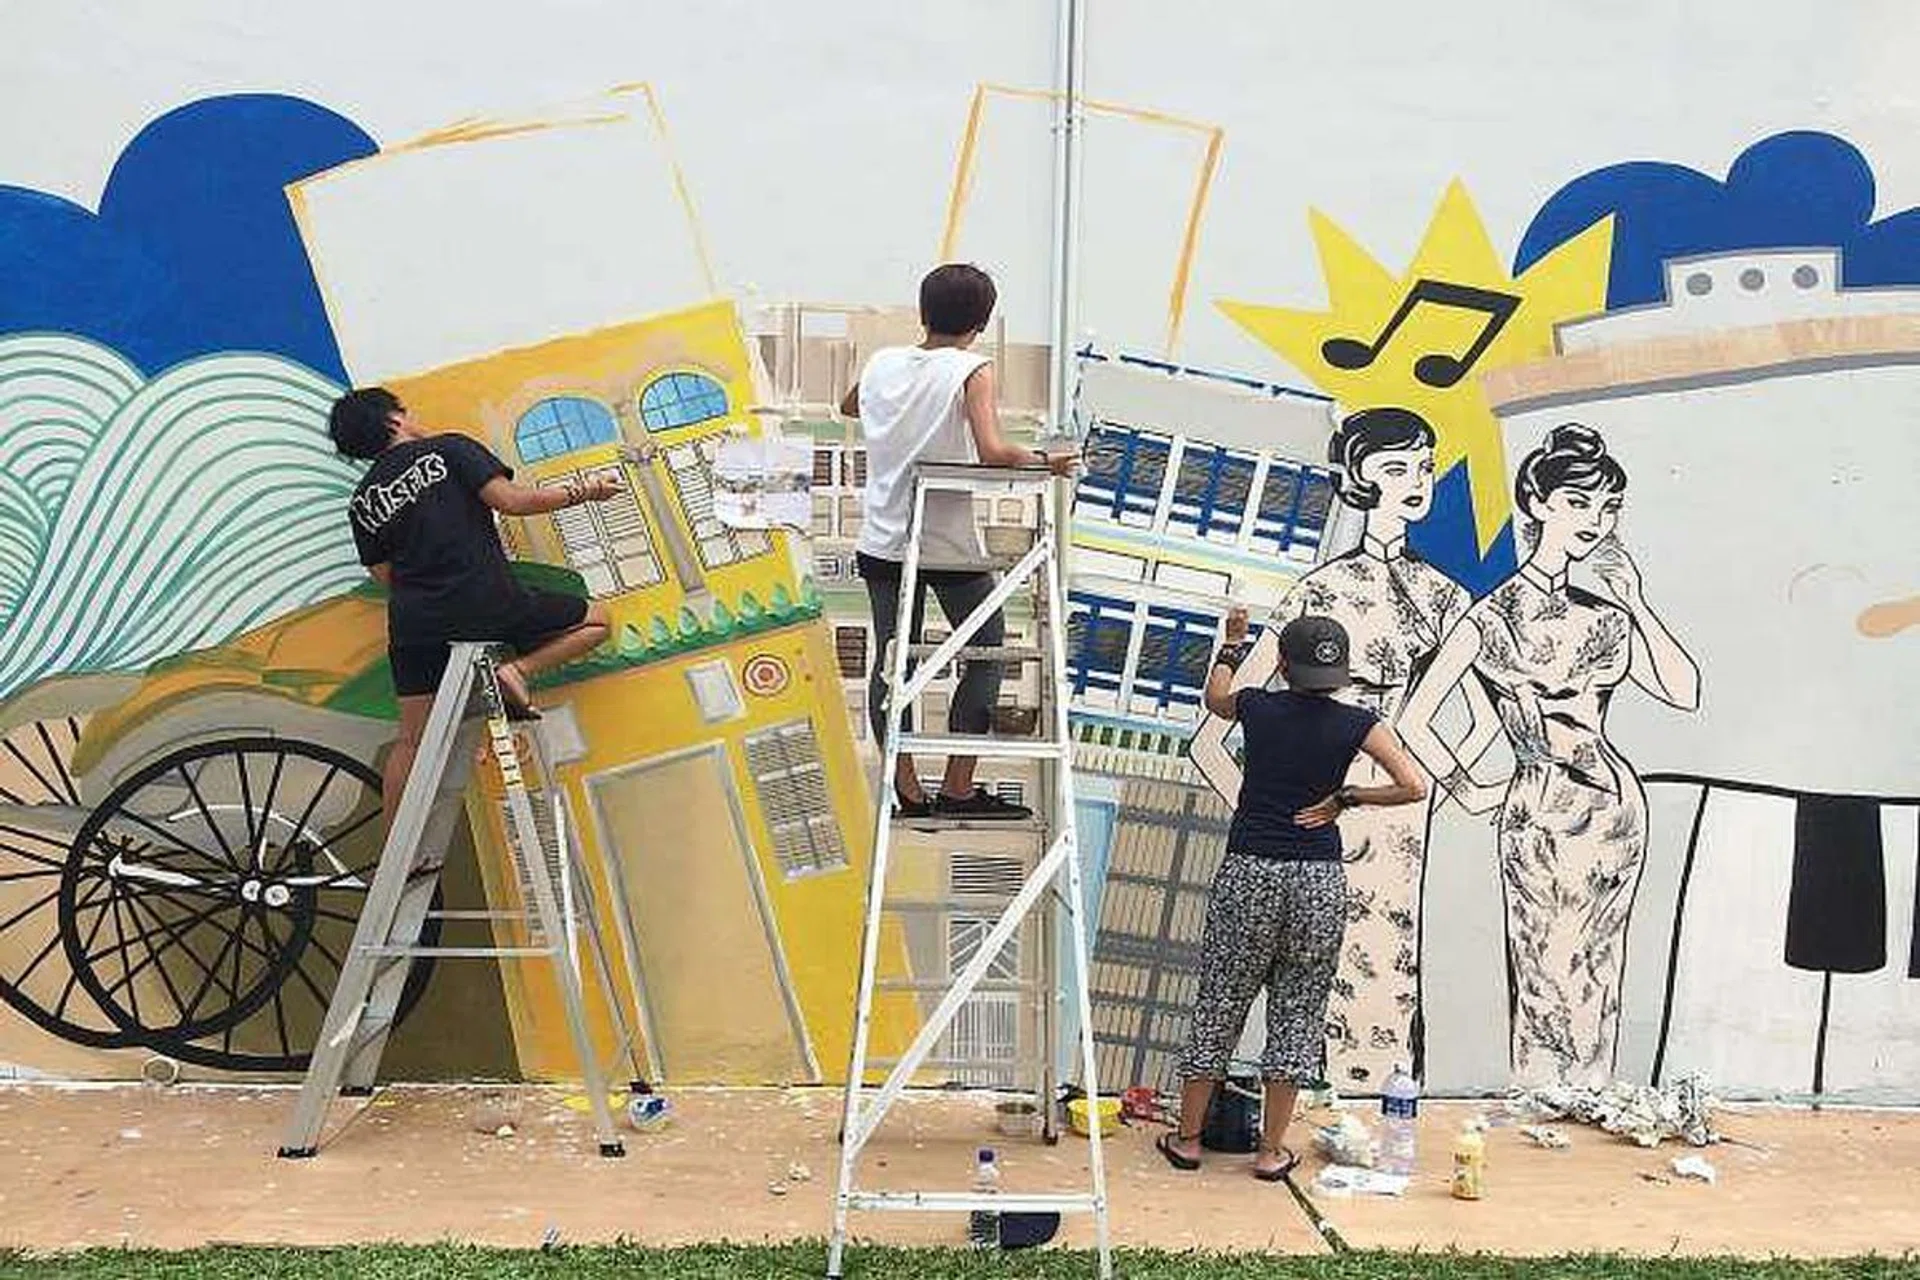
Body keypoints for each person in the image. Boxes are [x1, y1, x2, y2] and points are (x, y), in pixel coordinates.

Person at [1189, 406, 1493, 1091]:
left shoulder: (1443, 596)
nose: (1416, 482)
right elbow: (1211, 739)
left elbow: (1474, 723)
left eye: (1424, 467)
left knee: (1385, 974)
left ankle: (1367, 1101)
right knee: (1308, 991)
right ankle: (1311, 1109)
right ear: (1359, 478)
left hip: (1391, 824)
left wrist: (1451, 791)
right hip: (1325, 817)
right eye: (1396, 468)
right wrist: (1271, 813)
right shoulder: (1320, 591)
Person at [1395, 423, 1698, 1086]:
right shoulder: (1490, 616)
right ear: (1536, 503)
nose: (1594, 520)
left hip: (1615, 813)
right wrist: (1472, 789)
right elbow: (1414, 718)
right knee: (1543, 966)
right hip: (1539, 810)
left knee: (1599, 966)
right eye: (1578, 503)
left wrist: (1636, 600)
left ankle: (1589, 1094)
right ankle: (1542, 1095)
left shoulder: (1608, 614)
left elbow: (1684, 691)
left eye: (1607, 508)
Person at [1158, 609, 1428, 1180]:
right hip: (1317, 880)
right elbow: (1413, 786)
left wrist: (1232, 644)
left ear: (1283, 665)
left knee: (1220, 1001)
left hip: (1250, 871)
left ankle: (1187, 1140)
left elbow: (1216, 698)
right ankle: (1270, 1151)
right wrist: (1346, 798)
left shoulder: (1259, 707)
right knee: (1298, 1009)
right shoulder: (1359, 724)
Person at [840, 263, 1076, 820]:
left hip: (883, 542)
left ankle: (907, 791)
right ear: (981, 322)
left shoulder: (883, 363)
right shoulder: (972, 369)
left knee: (891, 662)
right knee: (987, 651)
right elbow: (993, 451)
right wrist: (1047, 462)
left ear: (924, 312)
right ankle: (958, 786)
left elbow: (849, 406)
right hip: (945, 544)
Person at [329, 386, 619, 826]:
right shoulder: (449, 449)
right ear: (394, 419)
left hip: (414, 625)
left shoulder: (363, 503)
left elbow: (385, 577)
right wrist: (587, 490)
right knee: (598, 620)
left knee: (411, 741)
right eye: (407, 410)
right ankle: (516, 671)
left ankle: (394, 841)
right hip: (486, 600)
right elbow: (513, 501)